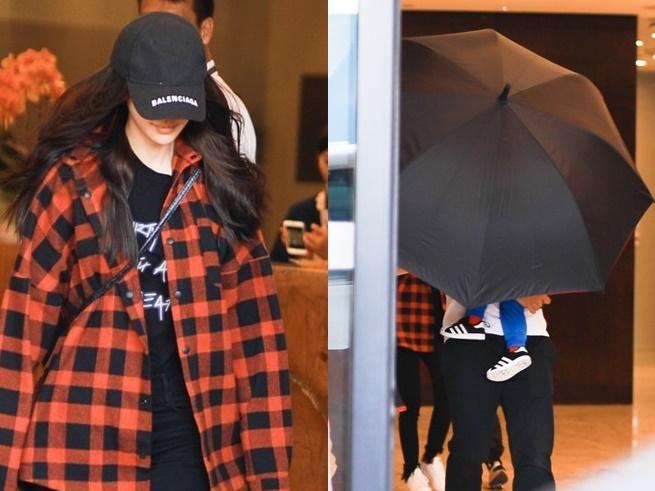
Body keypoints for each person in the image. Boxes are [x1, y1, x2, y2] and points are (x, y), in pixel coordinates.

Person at [0, 13, 291, 491]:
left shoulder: (220, 189)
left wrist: (268, 478)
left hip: (191, 441)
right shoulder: (74, 181)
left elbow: (259, 349)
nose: (167, 117)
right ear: (123, 88)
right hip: (81, 436)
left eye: (180, 102)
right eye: (154, 100)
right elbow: (20, 334)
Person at [440, 294, 555, 491]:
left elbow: (555, 279)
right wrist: (513, 292)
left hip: (531, 338)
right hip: (468, 337)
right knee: (468, 450)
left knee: (535, 452)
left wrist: (535, 288)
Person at [138, 0, 257, 162]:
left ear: (204, 31)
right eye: (147, 24)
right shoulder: (132, 92)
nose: (158, 38)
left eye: (174, 27)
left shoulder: (226, 109)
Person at [440, 297, 550, 381]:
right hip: (466, 339)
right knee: (494, 289)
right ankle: (516, 349)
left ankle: (475, 323)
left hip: (532, 333)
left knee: (488, 287)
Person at [270, 132, 328, 263]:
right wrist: (302, 259)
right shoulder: (300, 213)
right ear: (318, 160)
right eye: (328, 162)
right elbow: (275, 267)